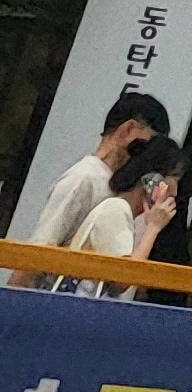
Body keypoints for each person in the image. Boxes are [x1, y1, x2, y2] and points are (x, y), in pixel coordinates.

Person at [29, 91, 173, 250]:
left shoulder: (127, 188)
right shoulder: (84, 178)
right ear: (128, 130)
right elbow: (40, 247)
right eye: (150, 142)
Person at [71, 138, 182, 290]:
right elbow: (123, 279)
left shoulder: (130, 216)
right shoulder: (116, 209)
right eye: (174, 179)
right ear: (152, 180)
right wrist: (153, 228)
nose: (175, 192)